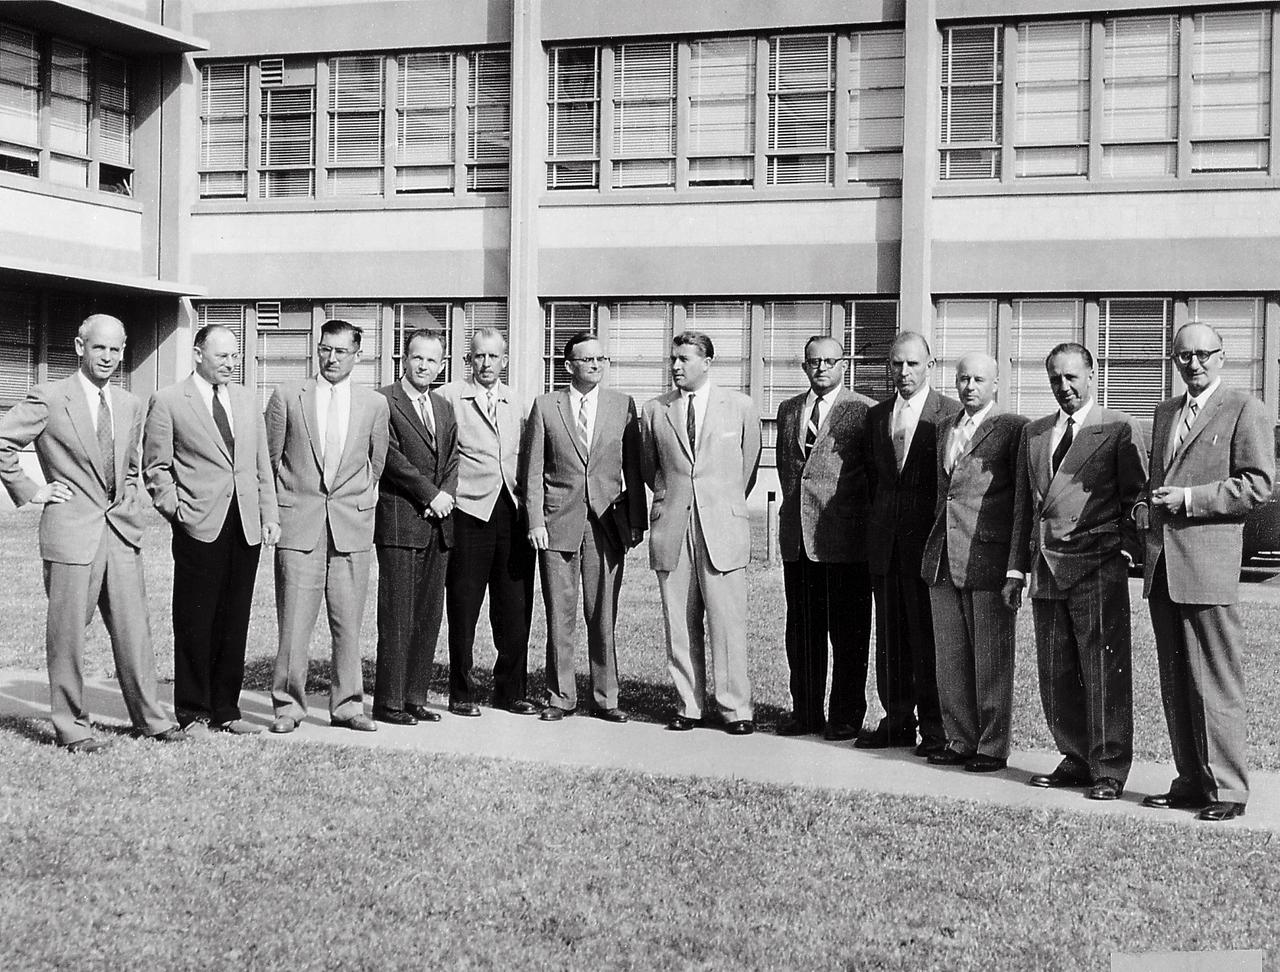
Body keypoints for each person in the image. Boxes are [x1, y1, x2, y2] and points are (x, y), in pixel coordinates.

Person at [0, 314, 184, 751]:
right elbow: (2, 441)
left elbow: (133, 466)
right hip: (71, 533)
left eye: (116, 350)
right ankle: (72, 727)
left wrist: (133, 496)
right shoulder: (48, 397)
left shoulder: (128, 404)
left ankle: (151, 719)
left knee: (134, 630)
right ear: (80, 347)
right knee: (67, 636)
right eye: (100, 348)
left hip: (120, 532)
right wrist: (32, 489)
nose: (108, 357)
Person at [1138, 322, 1274, 822]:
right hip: (1163, 568)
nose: (1192, 364)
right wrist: (1144, 510)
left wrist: (1191, 500)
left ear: (1222, 356)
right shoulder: (1165, 411)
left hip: (1208, 565)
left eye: (1203, 355)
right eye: (1183, 357)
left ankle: (1229, 790)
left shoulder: (1245, 408)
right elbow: (1159, 481)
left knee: (1215, 683)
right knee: (1176, 684)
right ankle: (1191, 780)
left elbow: (1258, 485)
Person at [1003, 342, 1147, 801]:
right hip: (1045, 569)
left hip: (1096, 566)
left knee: (1104, 668)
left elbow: (1135, 498)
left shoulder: (1118, 427)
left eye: (1072, 377)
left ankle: (1108, 767)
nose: (1064, 387)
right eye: (1055, 379)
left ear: (1091, 374)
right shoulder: (1035, 433)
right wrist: (1014, 571)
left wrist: (1122, 552)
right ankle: (1075, 756)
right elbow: (1026, 508)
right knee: (1055, 671)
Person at [142, 323, 280, 737]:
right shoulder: (168, 401)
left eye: (235, 356)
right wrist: (179, 511)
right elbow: (156, 468)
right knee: (195, 620)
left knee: (234, 620)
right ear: (198, 354)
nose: (231, 364)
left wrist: (269, 514)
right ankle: (193, 712)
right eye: (222, 356)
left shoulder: (245, 399)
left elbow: (260, 466)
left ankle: (227, 709)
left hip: (246, 527)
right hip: (198, 525)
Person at [265, 319, 389, 734]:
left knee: (348, 623)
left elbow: (376, 466)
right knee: (295, 622)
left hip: (350, 528)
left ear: (358, 355)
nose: (331, 358)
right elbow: (270, 460)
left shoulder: (373, 404)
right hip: (299, 524)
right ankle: (288, 705)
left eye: (340, 351)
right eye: (324, 349)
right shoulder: (287, 396)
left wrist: (357, 504)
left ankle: (349, 704)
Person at [521, 331, 646, 723]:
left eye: (601, 359)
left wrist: (636, 524)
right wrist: (535, 521)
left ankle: (606, 697)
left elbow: (634, 468)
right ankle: (560, 697)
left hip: (606, 525)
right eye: (587, 359)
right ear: (568, 364)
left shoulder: (622, 405)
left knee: (603, 612)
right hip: (558, 523)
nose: (596, 365)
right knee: (560, 613)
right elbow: (532, 471)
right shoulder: (545, 407)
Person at [640, 331, 761, 735]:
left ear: (707, 362)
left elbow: (748, 465)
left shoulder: (740, 407)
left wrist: (719, 504)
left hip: (721, 529)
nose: (676, 366)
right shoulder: (655, 410)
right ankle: (688, 705)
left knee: (727, 623)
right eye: (672, 358)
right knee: (679, 622)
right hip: (673, 525)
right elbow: (648, 466)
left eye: (685, 359)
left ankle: (735, 708)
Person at [920, 352, 1027, 772]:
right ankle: (959, 737)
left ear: (996, 384)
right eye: (963, 379)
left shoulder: (1013, 428)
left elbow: (1020, 503)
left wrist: (1016, 566)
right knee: (950, 656)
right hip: (943, 556)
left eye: (979, 380)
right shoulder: (946, 426)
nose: (969, 387)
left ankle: (992, 745)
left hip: (989, 557)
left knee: (991, 658)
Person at [858, 331, 962, 756]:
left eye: (913, 364)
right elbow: (871, 480)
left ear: (930, 366)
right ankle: (897, 719)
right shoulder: (875, 415)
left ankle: (936, 728)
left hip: (928, 546)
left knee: (928, 640)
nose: (903, 372)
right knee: (891, 639)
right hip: (885, 544)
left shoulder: (950, 415)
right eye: (897, 364)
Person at [773, 335, 874, 740]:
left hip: (845, 541)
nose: (821, 368)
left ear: (843, 364)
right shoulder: (788, 410)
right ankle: (806, 712)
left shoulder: (863, 410)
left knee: (848, 634)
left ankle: (846, 715)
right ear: (804, 367)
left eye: (830, 361)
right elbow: (787, 467)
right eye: (814, 362)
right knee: (802, 633)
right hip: (798, 541)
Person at [437, 328, 537, 717]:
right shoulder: (449, 397)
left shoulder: (519, 402)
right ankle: (461, 691)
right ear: (469, 360)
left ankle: (510, 691)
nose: (486, 364)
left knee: (514, 607)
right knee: (463, 605)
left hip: (511, 513)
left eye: (494, 357)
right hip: (468, 512)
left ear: (505, 360)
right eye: (479, 357)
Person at [372, 329, 458, 726]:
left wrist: (446, 496)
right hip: (401, 522)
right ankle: (389, 702)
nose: (424, 366)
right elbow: (389, 457)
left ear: (442, 364)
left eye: (432, 360)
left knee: (428, 615)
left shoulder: (442, 406)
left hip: (439, 525)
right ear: (404, 359)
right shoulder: (385, 401)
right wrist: (429, 495)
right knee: (398, 614)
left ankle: (415, 696)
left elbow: (454, 458)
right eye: (417, 358)